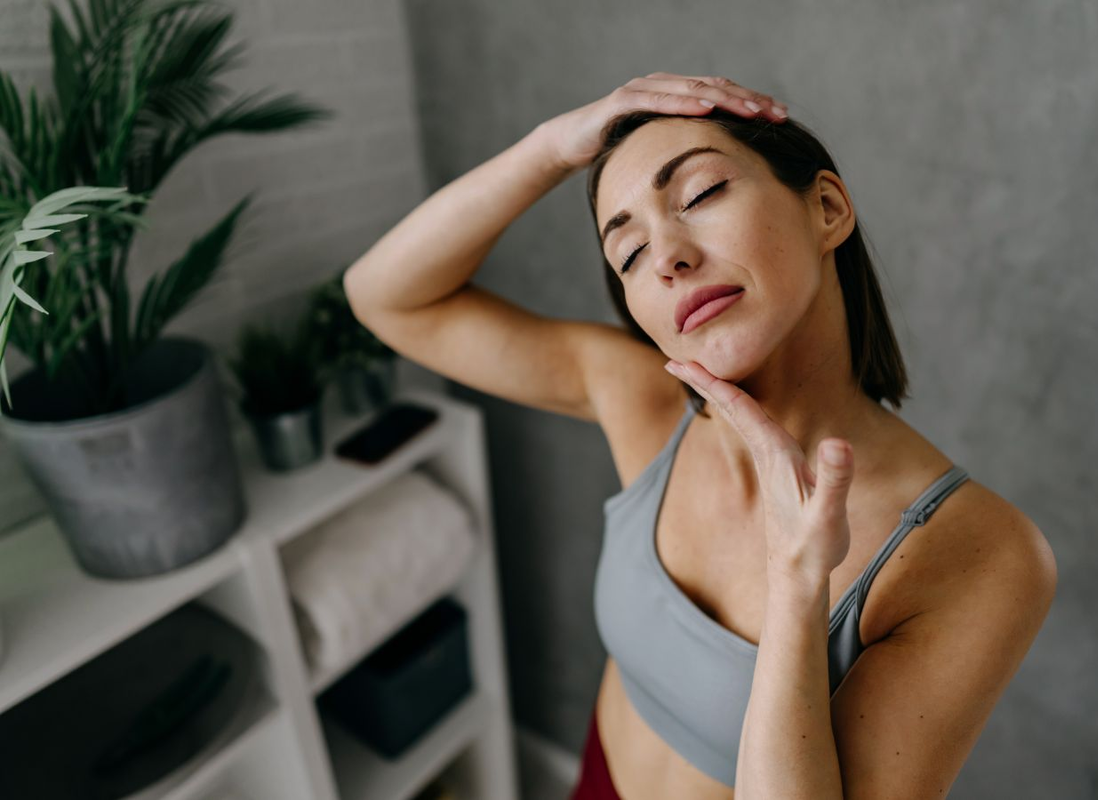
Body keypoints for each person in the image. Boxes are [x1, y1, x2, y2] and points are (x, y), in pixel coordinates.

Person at [344, 72, 1057, 800]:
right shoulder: (646, 403)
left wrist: (797, 583)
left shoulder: (978, 552)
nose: (666, 258)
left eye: (701, 194)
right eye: (628, 253)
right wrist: (553, 148)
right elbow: (385, 299)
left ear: (827, 209)